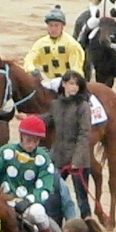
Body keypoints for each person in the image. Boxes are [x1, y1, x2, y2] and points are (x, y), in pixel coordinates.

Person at [0, 114, 63, 232]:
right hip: (4, 201)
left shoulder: (43, 158)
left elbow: (45, 187)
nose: (32, 144)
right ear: (22, 136)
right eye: (29, 139)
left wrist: (28, 200)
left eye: (35, 141)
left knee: (39, 213)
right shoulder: (6, 152)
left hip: (27, 205)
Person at [46, 70, 94, 220]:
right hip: (58, 157)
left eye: (77, 85)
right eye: (71, 84)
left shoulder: (83, 106)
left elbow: (84, 134)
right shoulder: (56, 104)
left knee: (82, 198)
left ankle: (88, 226)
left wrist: (77, 160)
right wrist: (29, 118)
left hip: (77, 161)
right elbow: (48, 119)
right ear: (64, 84)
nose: (74, 88)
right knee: (54, 195)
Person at [23, 6, 85, 85]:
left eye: (56, 25)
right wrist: (33, 70)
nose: (53, 29)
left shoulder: (72, 44)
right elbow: (28, 60)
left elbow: (76, 70)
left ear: (62, 26)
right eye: (50, 25)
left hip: (67, 83)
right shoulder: (40, 44)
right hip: (47, 82)